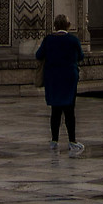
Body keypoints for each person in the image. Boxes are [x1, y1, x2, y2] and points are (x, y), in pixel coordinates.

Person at [36, 14, 84, 154]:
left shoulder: (48, 40)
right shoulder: (73, 40)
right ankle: (72, 141)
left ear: (55, 26)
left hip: (53, 78)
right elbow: (81, 56)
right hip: (69, 78)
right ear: (68, 26)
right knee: (69, 110)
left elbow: (39, 55)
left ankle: (54, 141)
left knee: (55, 110)